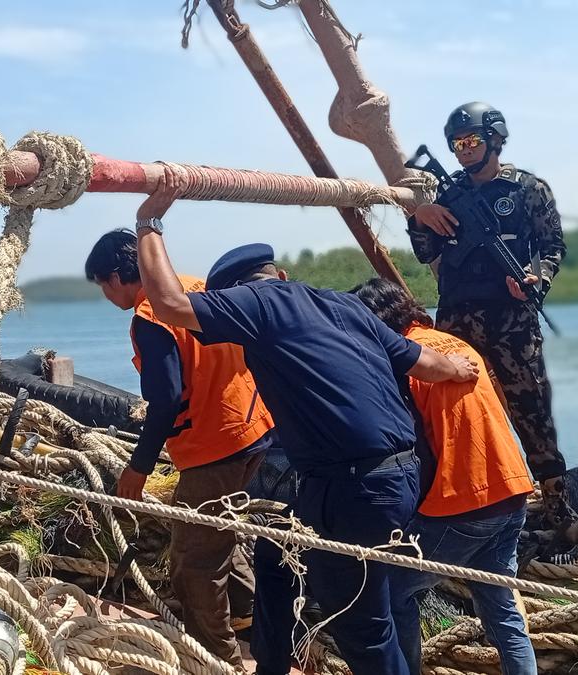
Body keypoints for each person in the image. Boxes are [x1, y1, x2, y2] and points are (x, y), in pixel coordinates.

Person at [131, 167, 480, 675]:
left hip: (354, 486)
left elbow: (168, 303)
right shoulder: (343, 305)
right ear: (282, 276)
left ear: (234, 296)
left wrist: (149, 222)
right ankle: (272, 665)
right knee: (278, 556)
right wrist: (460, 368)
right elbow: (424, 363)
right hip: (393, 476)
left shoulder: (255, 305)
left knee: (361, 624)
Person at [84, 228, 275, 664]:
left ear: (115, 278)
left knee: (192, 563)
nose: (107, 296)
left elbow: (165, 399)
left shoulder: (150, 317)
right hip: (252, 427)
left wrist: (139, 467)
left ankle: (215, 657)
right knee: (218, 530)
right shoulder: (195, 286)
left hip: (215, 446)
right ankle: (247, 618)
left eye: (103, 286)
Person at [406, 101, 578, 544]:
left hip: (512, 320)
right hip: (456, 321)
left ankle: (557, 508)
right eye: (456, 145)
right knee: (450, 413)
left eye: (471, 142)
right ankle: (461, 506)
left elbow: (553, 247)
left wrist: (537, 280)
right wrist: (419, 215)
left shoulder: (529, 190)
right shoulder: (445, 198)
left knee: (533, 412)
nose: (463, 151)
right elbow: (424, 252)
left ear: (495, 140)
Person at [352, 277, 537, 675]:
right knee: (501, 606)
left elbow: (409, 445)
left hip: (463, 502)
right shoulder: (456, 345)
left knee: (393, 591)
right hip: (512, 489)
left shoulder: (406, 361)